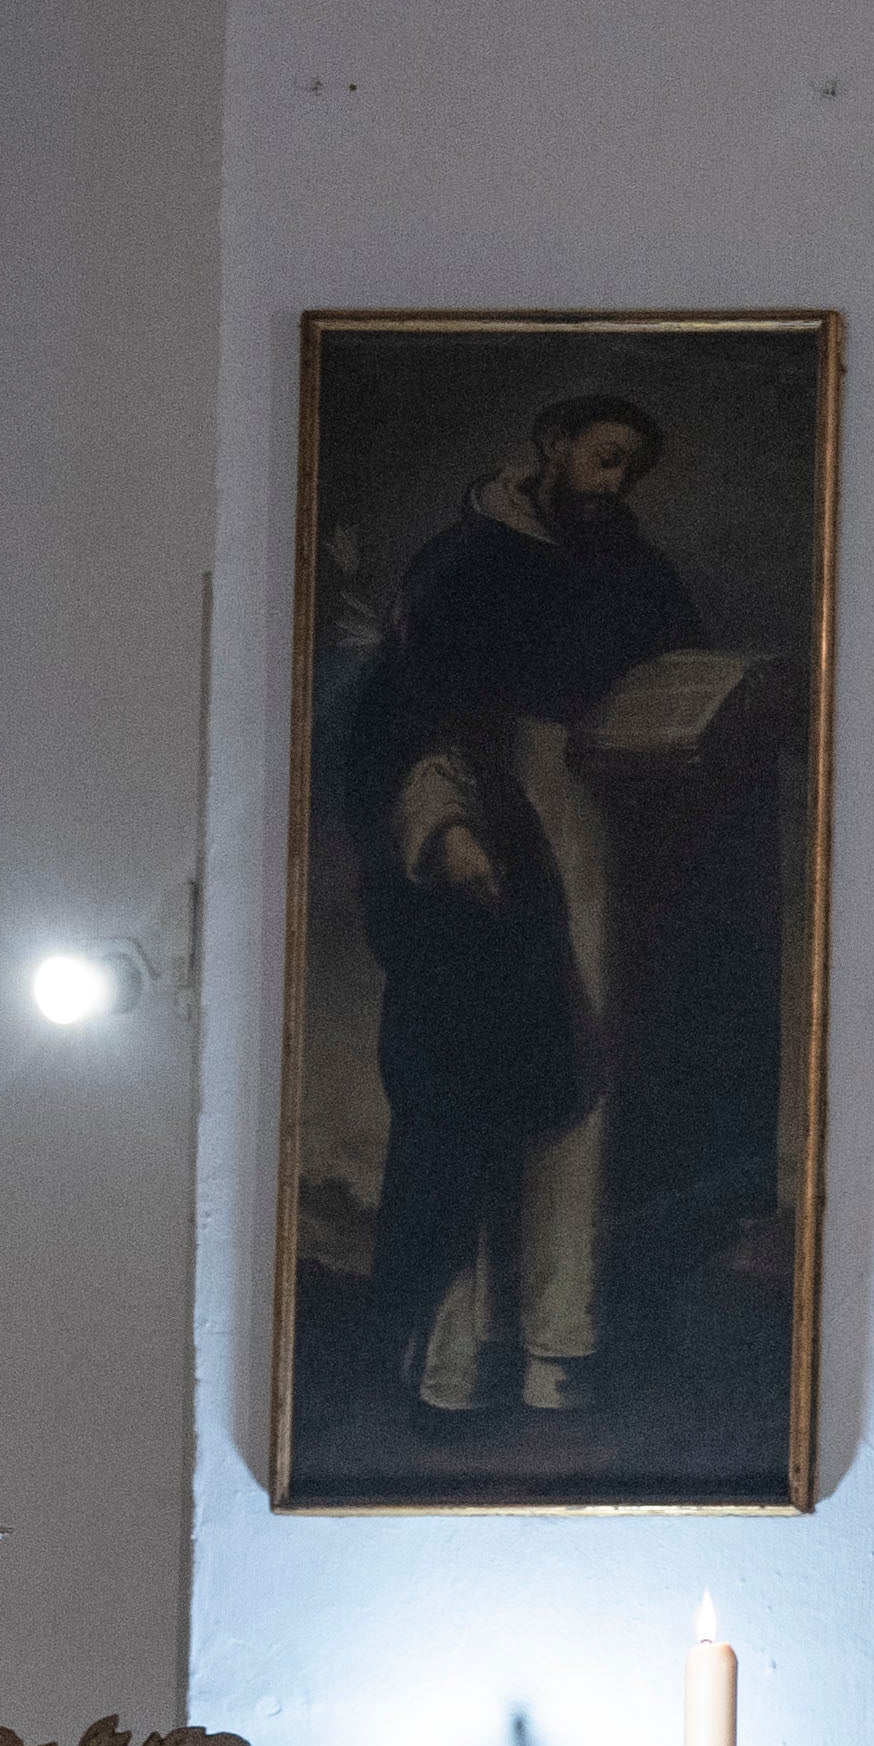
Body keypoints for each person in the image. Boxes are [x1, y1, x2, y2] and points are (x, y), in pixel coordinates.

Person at [335, 390, 708, 1422]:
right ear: (551, 444)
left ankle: (557, 1341)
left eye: (629, 467)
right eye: (603, 456)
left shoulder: (635, 570)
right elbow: (400, 718)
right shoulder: (463, 563)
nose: (614, 481)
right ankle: (455, 1354)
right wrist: (441, 830)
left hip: (599, 831)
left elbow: (681, 673)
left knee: (583, 1078)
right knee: (474, 1085)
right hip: (486, 826)